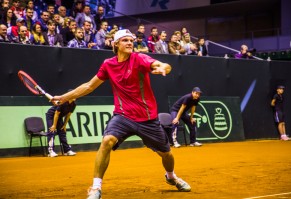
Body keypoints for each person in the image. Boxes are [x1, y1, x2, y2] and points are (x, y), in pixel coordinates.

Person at [51, 29, 191, 199]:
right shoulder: (108, 64)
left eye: (131, 40)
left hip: (147, 119)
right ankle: (96, 188)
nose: (130, 43)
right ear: (116, 44)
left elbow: (161, 65)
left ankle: (171, 177)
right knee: (107, 141)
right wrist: (65, 98)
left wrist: (163, 67)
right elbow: (89, 86)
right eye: (125, 40)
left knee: (166, 153)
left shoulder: (139, 58)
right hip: (122, 116)